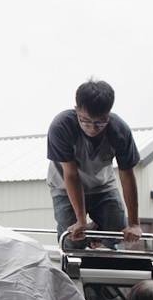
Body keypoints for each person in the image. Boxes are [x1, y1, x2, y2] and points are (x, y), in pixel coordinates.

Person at [46, 79, 143, 247]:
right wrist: (81, 220)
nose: (92, 128)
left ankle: (97, 232)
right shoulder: (61, 127)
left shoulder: (119, 131)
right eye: (85, 121)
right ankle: (86, 237)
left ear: (109, 114)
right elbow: (71, 174)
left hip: (102, 186)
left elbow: (127, 174)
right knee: (73, 239)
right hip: (64, 187)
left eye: (100, 122)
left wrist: (134, 223)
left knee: (115, 234)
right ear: (76, 110)